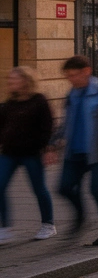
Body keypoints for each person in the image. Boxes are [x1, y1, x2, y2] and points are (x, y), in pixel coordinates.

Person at [57, 55, 98, 246]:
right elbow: (66, 123)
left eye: (74, 75)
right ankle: (80, 217)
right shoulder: (72, 94)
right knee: (64, 187)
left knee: (97, 191)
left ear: (86, 71)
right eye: (68, 76)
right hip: (75, 152)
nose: (71, 79)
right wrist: (53, 143)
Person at [0, 67, 57, 243]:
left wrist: (48, 149)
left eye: (14, 79)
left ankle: (48, 224)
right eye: (10, 80)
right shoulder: (9, 103)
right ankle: (5, 228)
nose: (11, 83)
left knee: (38, 189)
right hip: (9, 152)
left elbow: (47, 127)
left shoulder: (39, 101)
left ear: (26, 80)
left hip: (32, 153)